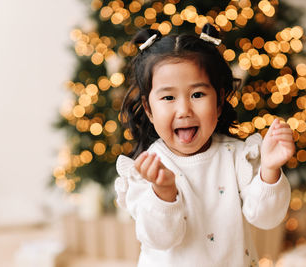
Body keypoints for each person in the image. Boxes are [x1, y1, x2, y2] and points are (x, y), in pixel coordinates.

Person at [114, 23, 294, 267]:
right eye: (168, 97)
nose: (184, 110)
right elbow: (159, 238)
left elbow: (266, 218)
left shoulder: (237, 156)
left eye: (197, 94)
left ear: (219, 101)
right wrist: (164, 192)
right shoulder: (148, 170)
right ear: (149, 109)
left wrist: (269, 171)